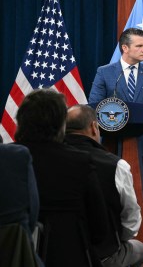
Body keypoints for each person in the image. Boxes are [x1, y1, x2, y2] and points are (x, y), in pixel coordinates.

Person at [15, 89, 109, 267]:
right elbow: (100, 231)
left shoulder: (7, 159)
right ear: (61, 125)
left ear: (20, 120)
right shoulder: (80, 163)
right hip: (69, 256)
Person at [88, 27, 143, 204]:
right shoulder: (105, 72)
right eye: (139, 46)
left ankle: (140, 232)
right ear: (125, 48)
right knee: (109, 195)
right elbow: (94, 106)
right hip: (111, 142)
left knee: (140, 196)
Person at [65, 104, 143, 267]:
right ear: (94, 127)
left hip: (54, 254)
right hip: (102, 256)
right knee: (140, 249)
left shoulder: (48, 161)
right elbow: (131, 220)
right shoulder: (116, 165)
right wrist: (115, 241)